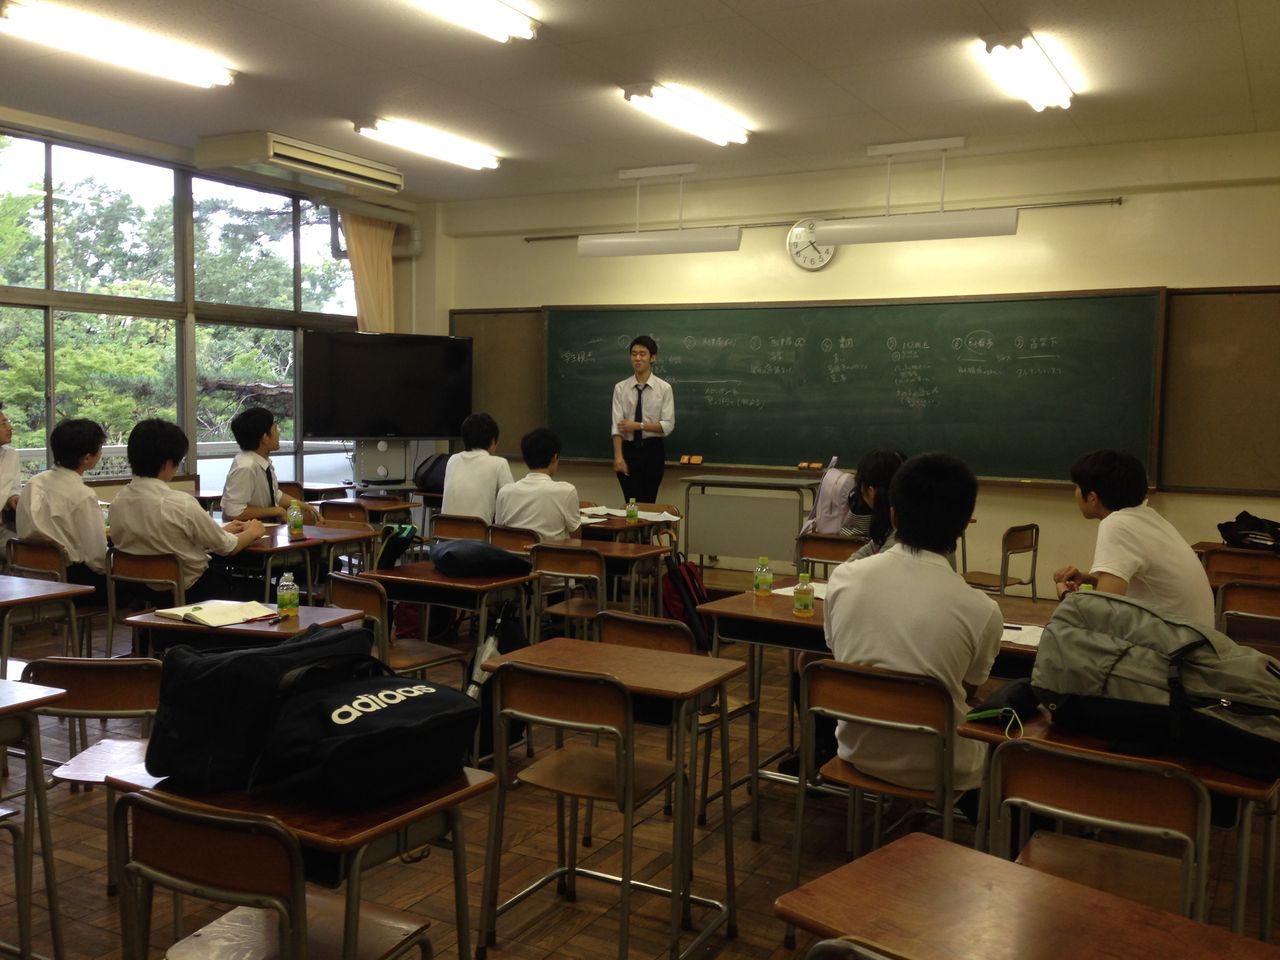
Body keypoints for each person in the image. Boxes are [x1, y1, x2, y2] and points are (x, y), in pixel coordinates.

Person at [824, 452, 1001, 794]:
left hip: (858, 752)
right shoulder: (983, 610)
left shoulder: (844, 579)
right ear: (965, 523)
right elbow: (969, 688)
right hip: (944, 766)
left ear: (893, 514)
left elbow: (838, 653)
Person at [109, 419, 266, 602]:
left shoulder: (117, 502)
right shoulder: (180, 504)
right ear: (168, 462)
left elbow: (164, 542)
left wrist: (218, 531)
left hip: (143, 593)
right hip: (193, 594)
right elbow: (228, 547)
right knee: (267, 590)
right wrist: (252, 532)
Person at [1053, 449, 1214, 627]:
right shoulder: (1147, 517)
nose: (1075, 493)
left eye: (1076, 486)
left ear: (1092, 498)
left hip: (1173, 642)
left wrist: (1066, 595)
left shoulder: (1116, 524)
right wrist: (1091, 579)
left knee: (1060, 631)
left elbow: (1102, 614)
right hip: (1194, 636)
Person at [15, 418, 110, 601]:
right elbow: (97, 559)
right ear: (87, 458)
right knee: (133, 584)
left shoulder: (33, 483)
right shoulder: (82, 495)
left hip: (30, 578)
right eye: (100, 448)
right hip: (70, 583)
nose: (101, 452)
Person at [220, 407, 317, 523]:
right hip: (251, 532)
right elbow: (233, 511)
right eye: (275, 428)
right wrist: (276, 511)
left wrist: (304, 506)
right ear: (265, 437)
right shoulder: (246, 466)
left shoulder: (262, 461)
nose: (279, 433)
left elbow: (274, 495)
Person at [610, 335, 674, 504]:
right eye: (634, 354)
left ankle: (647, 523)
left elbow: (667, 425)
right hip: (628, 451)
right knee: (631, 502)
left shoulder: (664, 388)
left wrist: (638, 426)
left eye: (642, 354)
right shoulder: (621, 388)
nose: (637, 358)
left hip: (653, 451)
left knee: (648, 503)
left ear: (652, 358)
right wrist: (618, 457)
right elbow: (617, 426)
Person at [494, 427, 580, 542]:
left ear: (525, 458)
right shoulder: (566, 491)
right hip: (551, 554)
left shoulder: (505, 492)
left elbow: (499, 533)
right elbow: (576, 537)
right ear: (554, 458)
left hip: (513, 553)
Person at [442, 412, 513, 523]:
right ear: (493, 441)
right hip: (477, 533)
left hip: (443, 532)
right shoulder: (499, 463)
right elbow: (510, 506)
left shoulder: (453, 460)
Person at [841, 449, 907, 555]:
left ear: (871, 492)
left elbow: (882, 560)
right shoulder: (893, 522)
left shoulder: (898, 535)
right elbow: (872, 547)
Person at [0, 404, 21, 544]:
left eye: (7, 422)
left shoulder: (11, 455)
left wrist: (13, 497)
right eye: (3, 424)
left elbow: (14, 487)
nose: (10, 428)